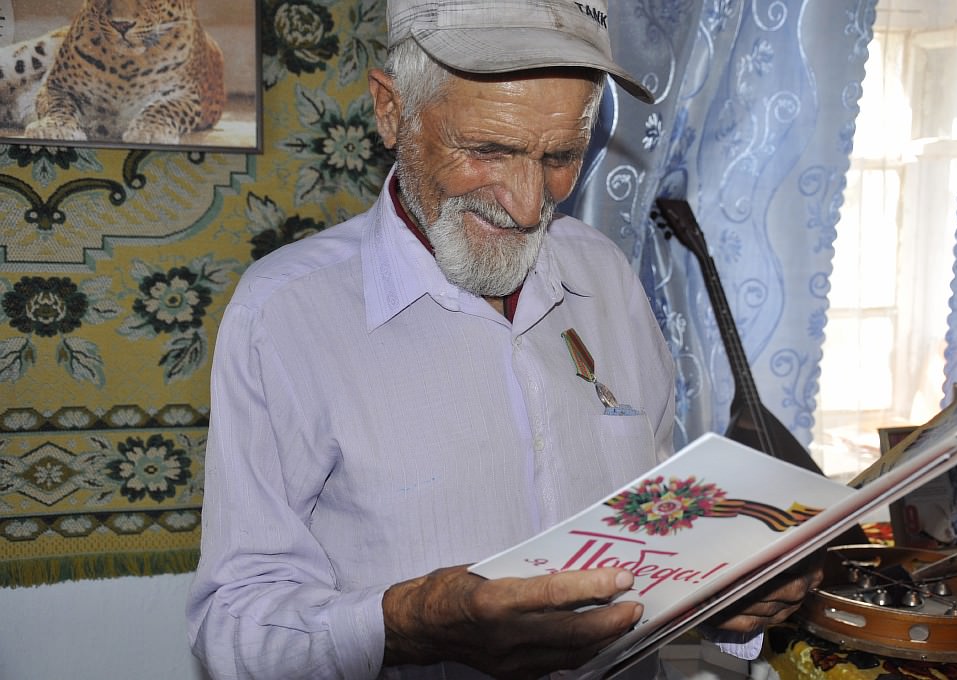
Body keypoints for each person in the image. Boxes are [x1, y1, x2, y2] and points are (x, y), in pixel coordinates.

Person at [186, 1, 822, 678]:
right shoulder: (286, 312)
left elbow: (651, 550)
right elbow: (234, 626)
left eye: (560, 156)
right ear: (390, 109)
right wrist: (411, 622)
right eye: (488, 149)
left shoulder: (605, 275)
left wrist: (725, 595)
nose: (525, 204)